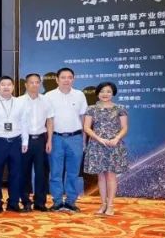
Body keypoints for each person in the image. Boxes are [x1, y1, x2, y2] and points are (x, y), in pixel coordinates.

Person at [83, 82, 129, 216]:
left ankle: (110, 205)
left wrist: (116, 138)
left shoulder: (120, 108)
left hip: (113, 145)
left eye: (108, 91)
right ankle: (103, 204)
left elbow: (124, 127)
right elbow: (86, 127)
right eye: (102, 91)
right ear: (98, 93)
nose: (105, 94)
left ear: (113, 93)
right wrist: (99, 139)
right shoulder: (91, 109)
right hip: (97, 145)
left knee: (111, 176)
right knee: (101, 177)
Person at [46, 67, 88, 212]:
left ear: (73, 79)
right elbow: (49, 120)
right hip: (56, 138)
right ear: (57, 79)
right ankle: (57, 201)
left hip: (75, 138)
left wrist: (84, 138)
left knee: (73, 172)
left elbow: (83, 117)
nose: (66, 80)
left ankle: (71, 201)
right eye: (63, 77)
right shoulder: (49, 96)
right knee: (55, 172)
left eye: (69, 77)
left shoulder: (79, 95)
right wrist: (49, 140)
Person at [0, 76, 30, 212]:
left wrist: (25, 141)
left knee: (16, 174)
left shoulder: (20, 103)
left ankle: (13, 203)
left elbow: (24, 122)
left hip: (16, 142)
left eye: (9, 84)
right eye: (3, 84)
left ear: (13, 87)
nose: (6, 87)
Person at [20, 73, 54, 211]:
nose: (34, 85)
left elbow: (50, 121)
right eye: (31, 82)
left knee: (42, 172)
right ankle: (25, 201)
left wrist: (49, 140)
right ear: (26, 84)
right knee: (24, 171)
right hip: (24, 140)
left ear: (40, 84)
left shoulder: (46, 100)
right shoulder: (18, 101)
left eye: (37, 82)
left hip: (40, 139)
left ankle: (40, 202)